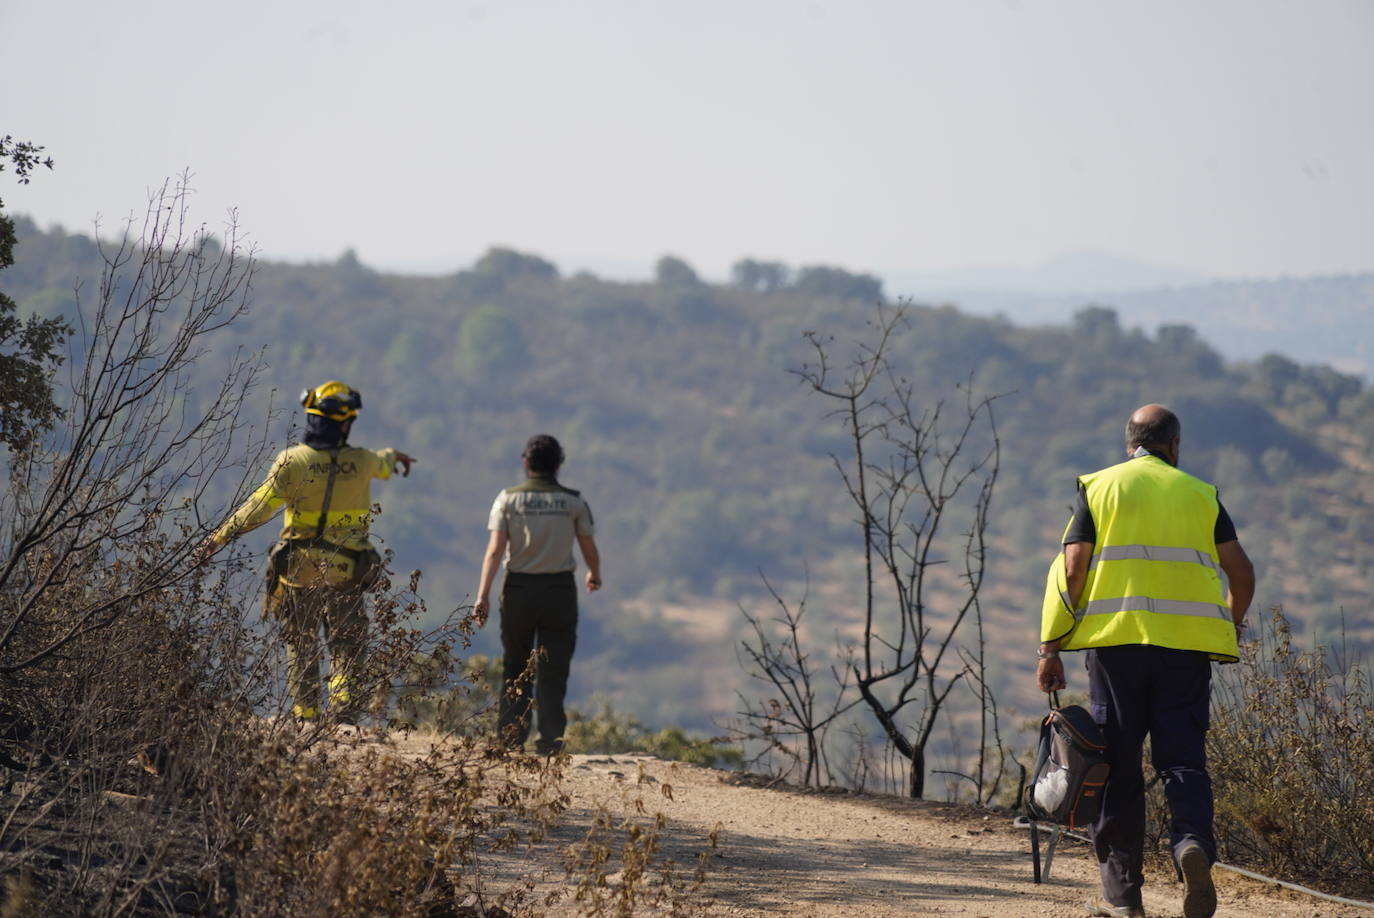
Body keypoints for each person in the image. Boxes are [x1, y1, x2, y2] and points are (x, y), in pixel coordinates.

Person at [1036, 404, 1254, 918]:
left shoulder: (1100, 488)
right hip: (1185, 651)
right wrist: (1230, 623)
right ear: (1174, 446)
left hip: (1116, 650)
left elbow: (1071, 571)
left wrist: (1053, 646)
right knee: (1183, 761)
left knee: (1116, 767)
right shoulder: (1202, 495)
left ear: (1128, 443)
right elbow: (1242, 574)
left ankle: (1123, 896)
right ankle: (1190, 845)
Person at [199, 381, 415, 721]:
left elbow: (258, 506)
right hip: (347, 569)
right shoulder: (360, 461)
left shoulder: (292, 462)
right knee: (347, 644)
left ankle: (307, 715)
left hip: (299, 569)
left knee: (301, 644)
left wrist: (219, 537)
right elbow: (383, 462)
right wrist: (396, 456)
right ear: (344, 424)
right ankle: (344, 715)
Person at [474, 434, 600, 755]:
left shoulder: (508, 499)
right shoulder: (573, 501)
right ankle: (550, 743)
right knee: (554, 668)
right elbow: (588, 546)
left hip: (518, 590)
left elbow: (494, 551)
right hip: (559, 591)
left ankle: (509, 740)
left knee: (516, 666)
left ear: (526, 463)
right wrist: (594, 574)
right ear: (559, 464)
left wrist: (483, 595)